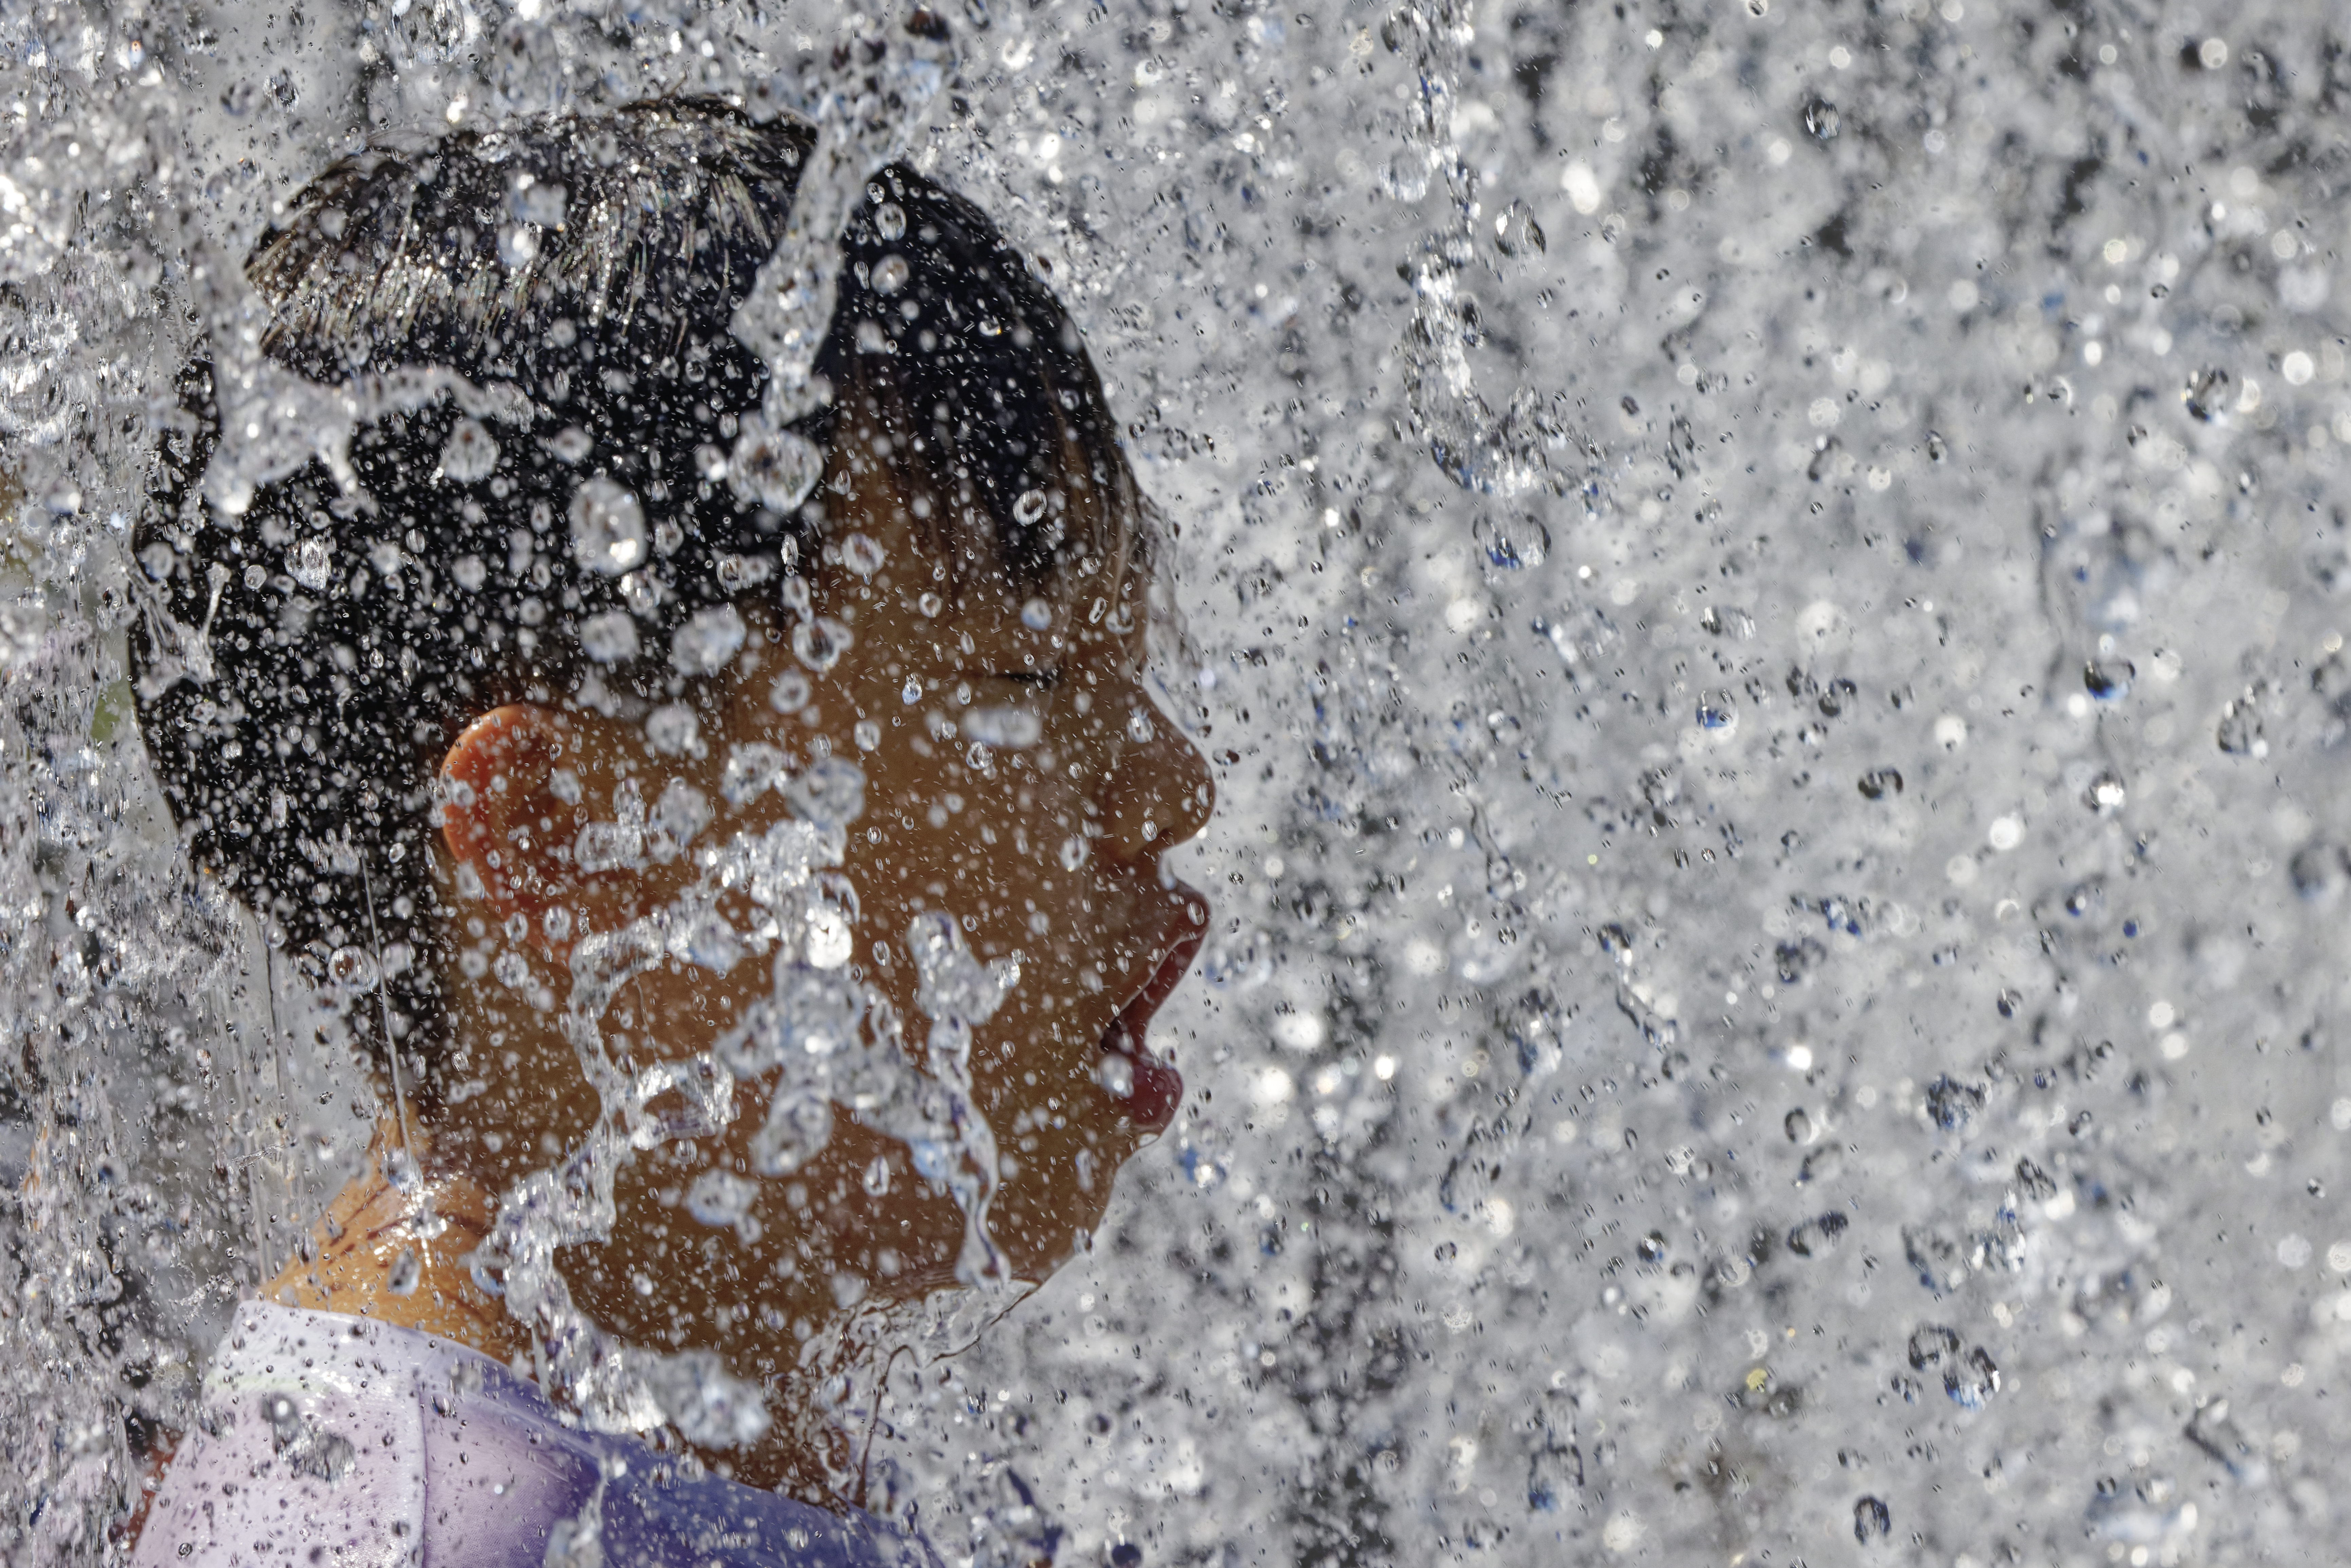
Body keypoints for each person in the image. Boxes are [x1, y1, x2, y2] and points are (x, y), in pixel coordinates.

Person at [125, 92, 1213, 1564]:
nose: (1171, 788)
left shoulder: (656, 1462)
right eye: (1020, 683)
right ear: (563, 841)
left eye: (1125, 669)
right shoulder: (430, 1530)